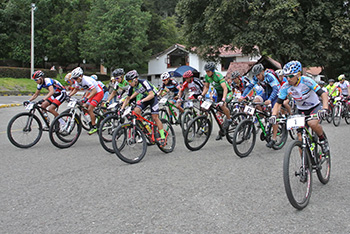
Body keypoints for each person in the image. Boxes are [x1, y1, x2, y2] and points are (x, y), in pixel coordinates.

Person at [270, 60, 329, 155]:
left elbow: (323, 94)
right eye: (286, 76)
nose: (288, 79)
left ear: (298, 74)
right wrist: (273, 115)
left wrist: (325, 108)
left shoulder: (307, 81)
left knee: (312, 123)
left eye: (290, 76)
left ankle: (323, 140)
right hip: (300, 109)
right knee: (300, 139)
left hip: (314, 106)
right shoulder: (286, 86)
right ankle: (305, 166)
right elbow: (278, 103)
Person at [120, 70, 167, 146]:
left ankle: (162, 136)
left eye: (130, 81)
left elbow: (151, 95)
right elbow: (128, 98)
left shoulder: (144, 82)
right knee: (136, 111)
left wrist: (141, 101)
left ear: (135, 79)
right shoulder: (131, 87)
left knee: (155, 117)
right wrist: (122, 109)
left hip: (153, 97)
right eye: (127, 81)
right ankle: (145, 127)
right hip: (145, 98)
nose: (129, 83)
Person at [239, 63, 281, 147]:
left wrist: (270, 99)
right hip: (266, 93)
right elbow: (249, 87)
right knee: (255, 101)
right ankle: (263, 118)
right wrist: (242, 96)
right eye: (256, 75)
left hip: (276, 95)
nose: (257, 77)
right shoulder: (256, 78)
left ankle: (274, 138)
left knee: (274, 115)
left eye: (258, 75)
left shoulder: (269, 76)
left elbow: (275, 89)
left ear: (263, 72)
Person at [201, 62, 234, 140]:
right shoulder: (207, 77)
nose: (207, 72)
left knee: (222, 105)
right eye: (206, 71)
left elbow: (225, 88)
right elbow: (206, 87)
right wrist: (202, 95)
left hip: (227, 93)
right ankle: (222, 130)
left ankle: (229, 119)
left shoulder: (218, 76)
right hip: (218, 93)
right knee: (216, 112)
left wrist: (223, 100)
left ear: (212, 71)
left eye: (208, 71)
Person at [67, 67, 104, 135]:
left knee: (90, 109)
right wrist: (69, 95)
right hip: (92, 93)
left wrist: (87, 98)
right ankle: (93, 118)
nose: (75, 80)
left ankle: (94, 126)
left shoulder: (86, 80)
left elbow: (95, 90)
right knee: (83, 107)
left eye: (76, 78)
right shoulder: (78, 81)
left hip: (98, 92)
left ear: (81, 76)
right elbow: (76, 89)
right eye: (74, 79)